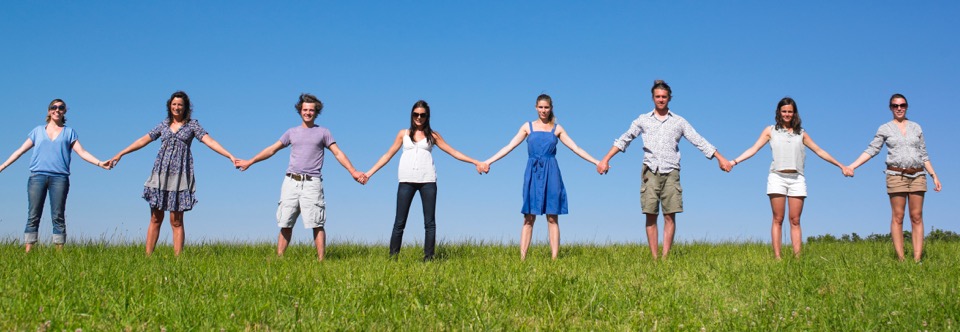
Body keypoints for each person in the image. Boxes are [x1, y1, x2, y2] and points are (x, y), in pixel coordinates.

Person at [597, 80, 731, 260]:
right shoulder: (643, 120)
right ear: (653, 98)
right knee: (650, 214)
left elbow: (698, 140)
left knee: (670, 215)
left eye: (664, 97)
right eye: (658, 97)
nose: (661, 100)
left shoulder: (679, 122)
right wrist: (605, 159)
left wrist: (720, 158)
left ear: (669, 98)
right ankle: (654, 258)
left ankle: (665, 257)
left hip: (671, 171)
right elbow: (624, 139)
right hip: (650, 171)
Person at [235, 93, 366, 261]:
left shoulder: (323, 132)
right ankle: (279, 258)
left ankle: (321, 261)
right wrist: (250, 161)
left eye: (311, 110)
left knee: (317, 223)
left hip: (312, 183)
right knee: (285, 221)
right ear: (300, 111)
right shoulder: (291, 132)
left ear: (316, 112)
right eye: (305, 110)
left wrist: (353, 171)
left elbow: (338, 153)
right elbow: (272, 149)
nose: (308, 113)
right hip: (291, 182)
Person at [107, 91, 237, 256]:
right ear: (170, 106)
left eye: (180, 105)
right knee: (155, 218)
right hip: (160, 173)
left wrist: (229, 156)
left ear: (185, 108)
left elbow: (209, 141)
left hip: (180, 176)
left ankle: (178, 261)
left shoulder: (192, 125)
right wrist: (121, 153)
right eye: (174, 104)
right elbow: (143, 140)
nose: (177, 107)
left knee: (176, 221)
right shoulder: (163, 125)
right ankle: (147, 258)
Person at [362, 100, 486, 261]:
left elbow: (453, 151)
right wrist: (369, 173)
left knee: (429, 223)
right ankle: (392, 259)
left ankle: (429, 258)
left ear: (427, 117)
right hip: (406, 181)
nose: (419, 117)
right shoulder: (403, 134)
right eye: (416, 114)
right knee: (399, 222)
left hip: (428, 181)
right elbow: (387, 155)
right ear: (411, 115)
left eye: (422, 115)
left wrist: (476, 162)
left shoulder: (433, 136)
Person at [728, 97, 851, 259]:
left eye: (790, 112)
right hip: (777, 177)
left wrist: (841, 165)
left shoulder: (801, 133)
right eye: (784, 111)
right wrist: (734, 161)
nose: (787, 114)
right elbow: (754, 149)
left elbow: (819, 151)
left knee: (795, 220)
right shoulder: (770, 130)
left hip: (797, 178)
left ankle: (797, 257)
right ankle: (778, 257)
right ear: (779, 112)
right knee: (778, 218)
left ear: (795, 114)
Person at [484, 94, 599, 260]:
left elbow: (576, 148)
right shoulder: (527, 127)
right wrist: (488, 162)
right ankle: (522, 259)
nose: (543, 111)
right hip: (532, 172)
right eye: (540, 107)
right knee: (528, 217)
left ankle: (554, 259)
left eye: (546, 107)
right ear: (536, 108)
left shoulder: (557, 128)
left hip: (551, 172)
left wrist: (596, 162)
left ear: (551, 108)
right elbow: (509, 146)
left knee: (552, 217)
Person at [0, 99, 111, 252]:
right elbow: (20, 151)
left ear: (65, 111)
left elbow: (82, 152)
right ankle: (28, 251)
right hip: (37, 176)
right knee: (33, 214)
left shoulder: (69, 132)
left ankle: (59, 253)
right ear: (49, 111)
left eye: (61, 107)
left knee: (58, 215)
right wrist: (3, 166)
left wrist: (100, 163)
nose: (57, 110)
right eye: (54, 107)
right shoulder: (38, 131)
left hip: (59, 178)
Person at [846, 93, 942, 262]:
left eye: (902, 105)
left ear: (906, 106)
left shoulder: (916, 127)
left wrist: (934, 175)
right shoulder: (885, 128)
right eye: (895, 106)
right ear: (890, 108)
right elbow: (872, 150)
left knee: (917, 216)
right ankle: (901, 259)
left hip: (918, 174)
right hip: (896, 175)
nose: (899, 108)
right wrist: (853, 165)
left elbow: (924, 155)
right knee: (898, 216)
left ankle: (917, 259)